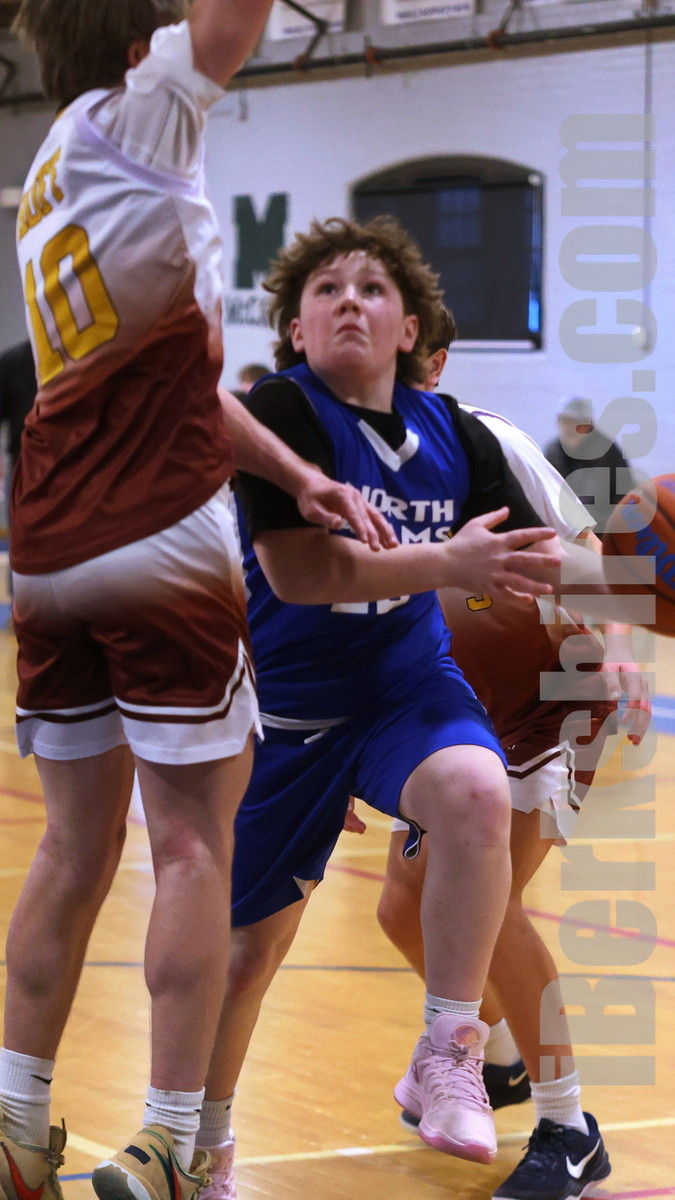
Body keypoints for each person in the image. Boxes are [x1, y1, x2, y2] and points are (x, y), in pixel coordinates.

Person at [0, 9, 395, 1200]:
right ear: (145, 41)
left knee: (72, 847)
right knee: (189, 842)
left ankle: (15, 1126)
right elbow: (234, 18)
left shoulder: (52, 164)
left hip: (49, 543)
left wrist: (299, 473)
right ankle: (175, 1140)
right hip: (154, 529)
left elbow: (184, 380)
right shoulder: (147, 111)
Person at [192, 215, 562, 1200]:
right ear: (296, 330)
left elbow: (526, 555)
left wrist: (600, 617)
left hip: (405, 689)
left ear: (409, 329)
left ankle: (450, 1050)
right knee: (248, 954)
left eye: (371, 289)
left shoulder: (458, 435)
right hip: (293, 711)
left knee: (477, 790)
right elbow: (304, 576)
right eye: (325, 290)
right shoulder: (283, 414)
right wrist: (449, 562)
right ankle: (205, 1146)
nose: (348, 301)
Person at [375, 313, 651, 1200]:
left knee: (487, 910)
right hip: (458, 699)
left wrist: (619, 645)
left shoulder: (484, 443)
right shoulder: (339, 462)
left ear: (434, 363)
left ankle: (570, 1129)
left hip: (550, 691)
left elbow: (592, 554)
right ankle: (496, 1060)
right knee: (400, 909)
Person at [544, 397, 637, 538]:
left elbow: (594, 502)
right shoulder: (554, 451)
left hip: (609, 522)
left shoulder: (603, 451)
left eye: (577, 424)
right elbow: (549, 491)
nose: (570, 429)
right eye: (565, 422)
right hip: (572, 520)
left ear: (589, 426)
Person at [0, 341, 36, 597]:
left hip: (74, 467)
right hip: (24, 468)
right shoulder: (14, 362)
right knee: (21, 543)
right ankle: (19, 604)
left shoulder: (80, 358)